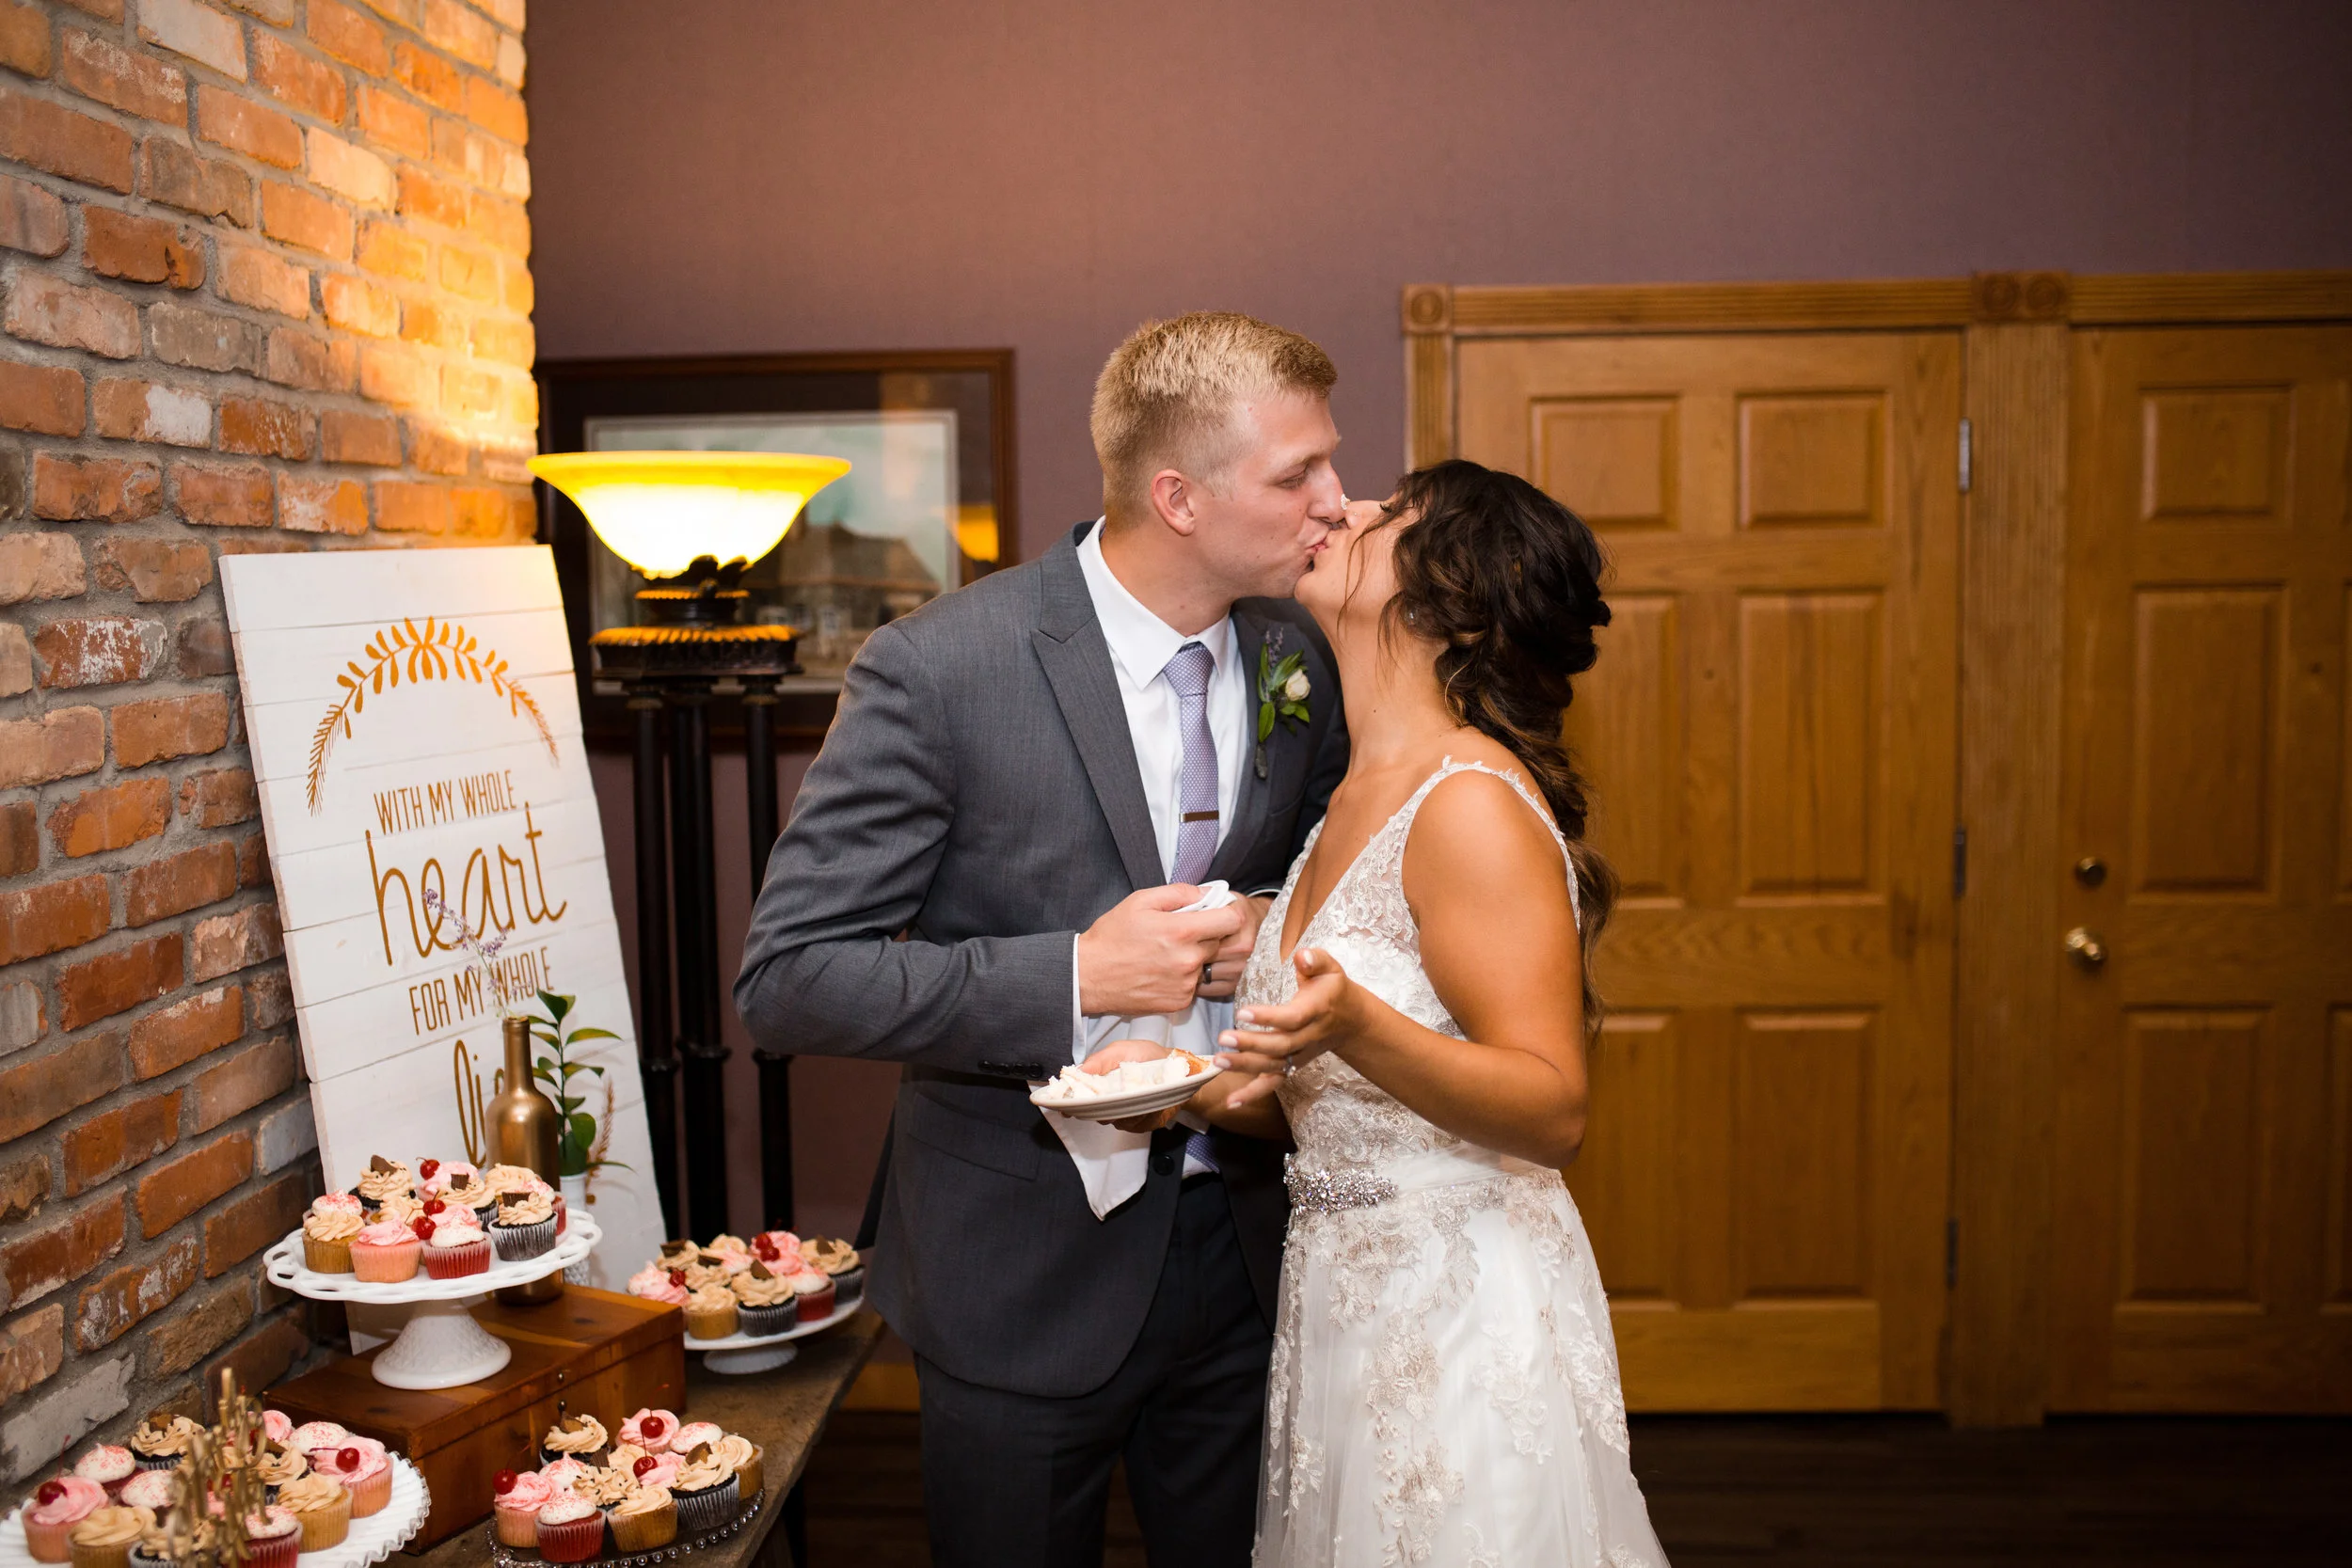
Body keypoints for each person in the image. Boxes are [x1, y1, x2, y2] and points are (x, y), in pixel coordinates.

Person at [735, 312, 1352, 1567]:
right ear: (1178, 496)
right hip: (1019, 1259)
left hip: (1246, 1241)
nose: (1336, 500)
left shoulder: (1296, 649)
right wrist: (1073, 973)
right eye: (1299, 473)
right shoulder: (941, 667)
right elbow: (789, 977)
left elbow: (1326, 872)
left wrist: (1275, 929)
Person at [1185, 459, 1670, 1565]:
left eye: (1387, 513)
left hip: (1462, 1312)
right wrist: (1190, 1094)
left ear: (1450, 604)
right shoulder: (1351, 795)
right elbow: (1332, 1105)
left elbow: (1552, 1109)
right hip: (1339, 1306)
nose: (1342, 507)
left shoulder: (1466, 803)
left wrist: (1358, 1023)